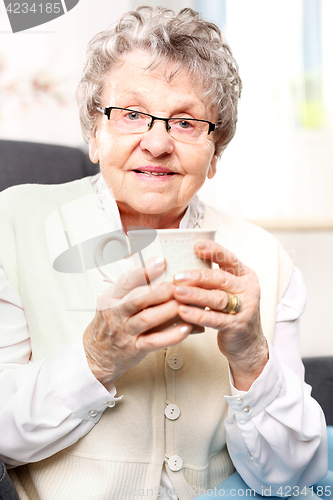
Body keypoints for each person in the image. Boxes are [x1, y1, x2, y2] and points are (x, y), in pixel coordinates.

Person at [0, 6, 328, 500]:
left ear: (216, 153)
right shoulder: (14, 223)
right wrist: (96, 357)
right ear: (95, 133)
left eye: (187, 122)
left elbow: (296, 480)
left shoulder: (265, 257)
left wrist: (250, 355)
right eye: (131, 114)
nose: (156, 143)